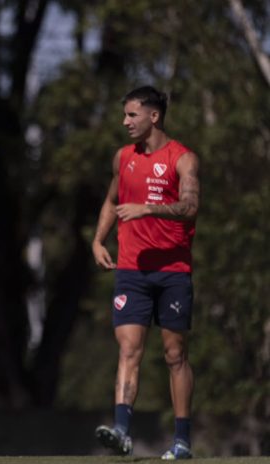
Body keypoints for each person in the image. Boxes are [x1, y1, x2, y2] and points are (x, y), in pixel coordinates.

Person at [92, 86, 200, 460]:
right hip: (131, 270)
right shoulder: (123, 158)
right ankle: (121, 431)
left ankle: (182, 440)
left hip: (173, 271)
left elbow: (189, 206)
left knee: (174, 355)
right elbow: (111, 200)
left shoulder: (182, 159)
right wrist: (98, 240)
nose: (125, 122)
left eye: (132, 115)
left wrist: (148, 209)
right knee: (129, 349)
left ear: (153, 116)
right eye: (124, 115)